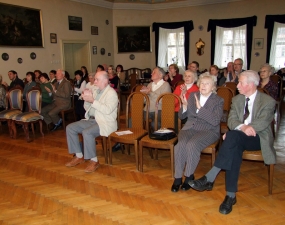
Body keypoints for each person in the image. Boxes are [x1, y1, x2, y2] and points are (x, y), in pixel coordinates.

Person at [189, 70, 276, 215]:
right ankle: (230, 196)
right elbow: (231, 120)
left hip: (258, 138)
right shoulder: (237, 100)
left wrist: (241, 129)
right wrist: (241, 127)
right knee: (233, 146)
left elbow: (263, 122)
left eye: (241, 82)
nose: (237, 85)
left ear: (251, 84)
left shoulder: (268, 101)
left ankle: (210, 178)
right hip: (239, 137)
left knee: (232, 138)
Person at [171, 74, 223, 193]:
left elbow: (215, 121)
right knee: (180, 144)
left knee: (192, 144)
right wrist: (184, 106)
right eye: (202, 83)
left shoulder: (218, 100)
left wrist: (200, 109)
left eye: (207, 83)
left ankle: (189, 176)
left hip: (208, 130)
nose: (203, 85)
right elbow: (182, 116)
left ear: (213, 86)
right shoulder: (193, 96)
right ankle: (178, 177)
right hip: (190, 127)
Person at [65, 71, 118, 173]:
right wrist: (87, 99)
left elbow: (107, 110)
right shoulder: (96, 91)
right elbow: (87, 108)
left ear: (105, 81)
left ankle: (94, 161)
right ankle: (79, 156)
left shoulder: (112, 93)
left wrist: (93, 101)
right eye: (95, 79)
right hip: (92, 119)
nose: (95, 81)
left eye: (97, 79)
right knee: (70, 128)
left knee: (87, 132)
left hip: (104, 121)